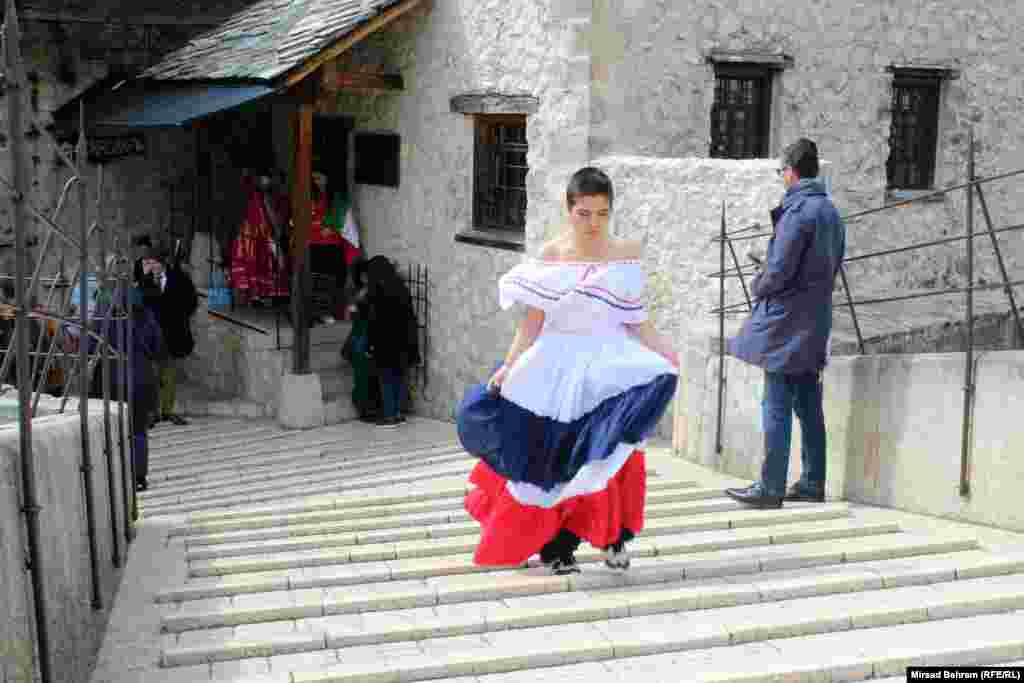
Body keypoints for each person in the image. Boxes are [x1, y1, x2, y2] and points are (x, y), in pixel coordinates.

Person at [456, 167, 679, 575]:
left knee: (614, 449)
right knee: (556, 457)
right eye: (584, 213)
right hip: (557, 364)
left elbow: (636, 318)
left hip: (610, 362)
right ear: (569, 209)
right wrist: (509, 365)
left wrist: (667, 355)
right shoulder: (553, 255)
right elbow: (532, 323)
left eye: (602, 213)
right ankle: (557, 548)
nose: (593, 223)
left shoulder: (625, 252)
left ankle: (614, 538)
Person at [725, 138, 846, 509]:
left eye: (781, 171)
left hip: (786, 322)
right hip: (815, 318)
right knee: (808, 404)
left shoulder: (798, 212)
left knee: (775, 402)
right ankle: (812, 482)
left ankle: (770, 486)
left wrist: (759, 282)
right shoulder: (830, 211)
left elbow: (779, 271)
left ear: (791, 172)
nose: (781, 177)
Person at [89, 287, 164, 491]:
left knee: (113, 430)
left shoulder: (103, 317)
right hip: (141, 380)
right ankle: (138, 476)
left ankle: (116, 475)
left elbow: (90, 347)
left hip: (110, 381)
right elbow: (157, 347)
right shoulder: (146, 315)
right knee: (138, 430)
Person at [138, 246, 198, 426]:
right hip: (152, 335)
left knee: (169, 374)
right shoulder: (145, 281)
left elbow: (191, 302)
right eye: (148, 263)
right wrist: (144, 279)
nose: (151, 266)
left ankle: (167, 410)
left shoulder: (179, 278)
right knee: (152, 374)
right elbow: (140, 304)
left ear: (162, 263)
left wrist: (180, 317)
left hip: (173, 333)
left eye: (154, 263)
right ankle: (153, 411)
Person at [364, 256, 420, 428]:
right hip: (403, 341)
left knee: (387, 379)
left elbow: (374, 322)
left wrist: (370, 344)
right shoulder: (401, 288)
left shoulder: (377, 292)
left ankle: (389, 415)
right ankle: (398, 412)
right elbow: (410, 317)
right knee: (399, 377)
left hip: (385, 343)